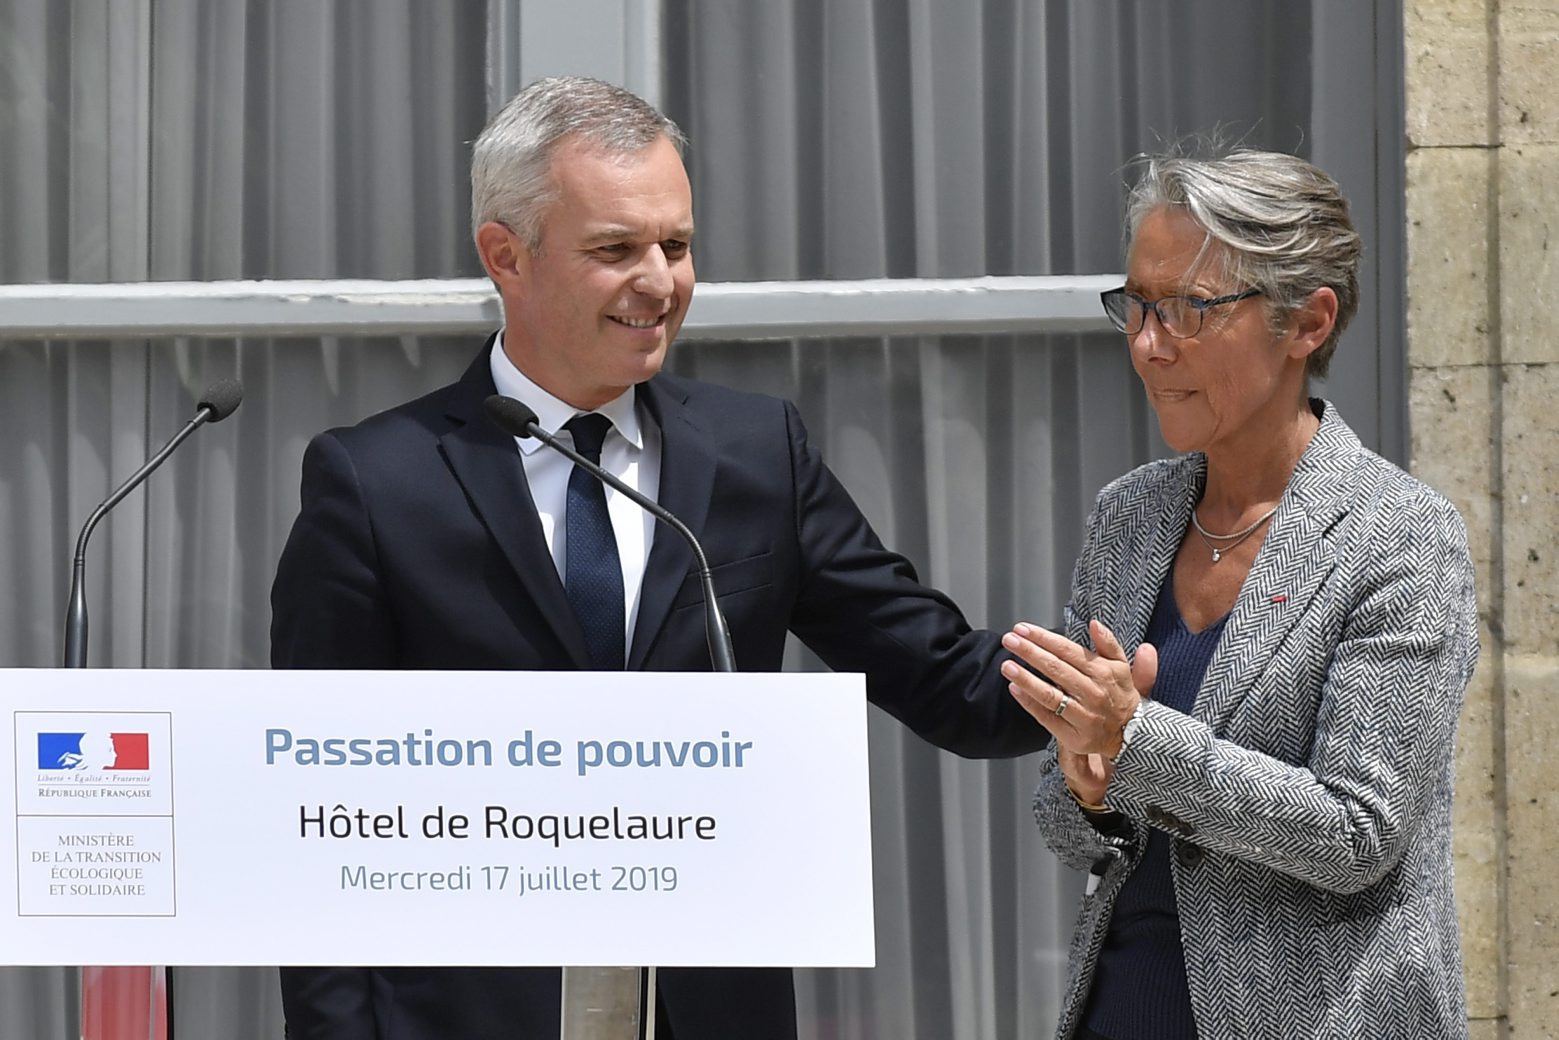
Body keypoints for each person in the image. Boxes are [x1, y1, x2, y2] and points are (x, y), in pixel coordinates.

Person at [270, 75, 1048, 1040]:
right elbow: (316, 808)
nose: (660, 281)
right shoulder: (376, 481)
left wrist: (1111, 678)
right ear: (505, 256)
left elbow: (939, 676)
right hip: (469, 1013)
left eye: (675, 246)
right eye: (615, 250)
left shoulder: (757, 451)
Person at [1000, 147, 1478, 1039]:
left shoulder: (1400, 537)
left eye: (1188, 308)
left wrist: (1137, 741)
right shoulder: (1130, 516)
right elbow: (1068, 829)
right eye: (1137, 305)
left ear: (1306, 322)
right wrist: (1089, 783)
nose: (1147, 343)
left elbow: (1356, 834)